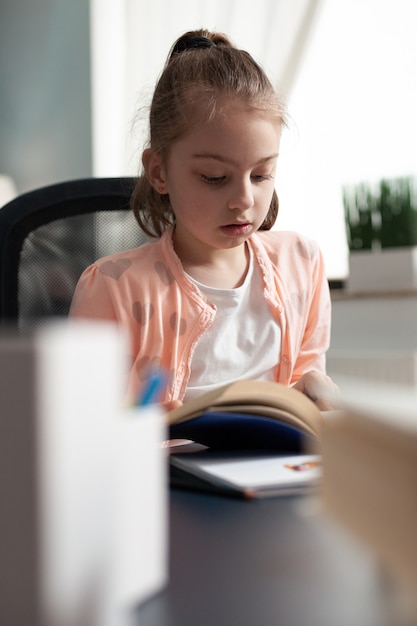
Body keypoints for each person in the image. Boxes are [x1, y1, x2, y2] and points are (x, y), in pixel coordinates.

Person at [69, 28, 337, 410]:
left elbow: (305, 398)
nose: (244, 199)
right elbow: (89, 426)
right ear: (159, 172)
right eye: (214, 178)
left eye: (261, 175)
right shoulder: (113, 289)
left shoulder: (301, 265)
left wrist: (319, 399)